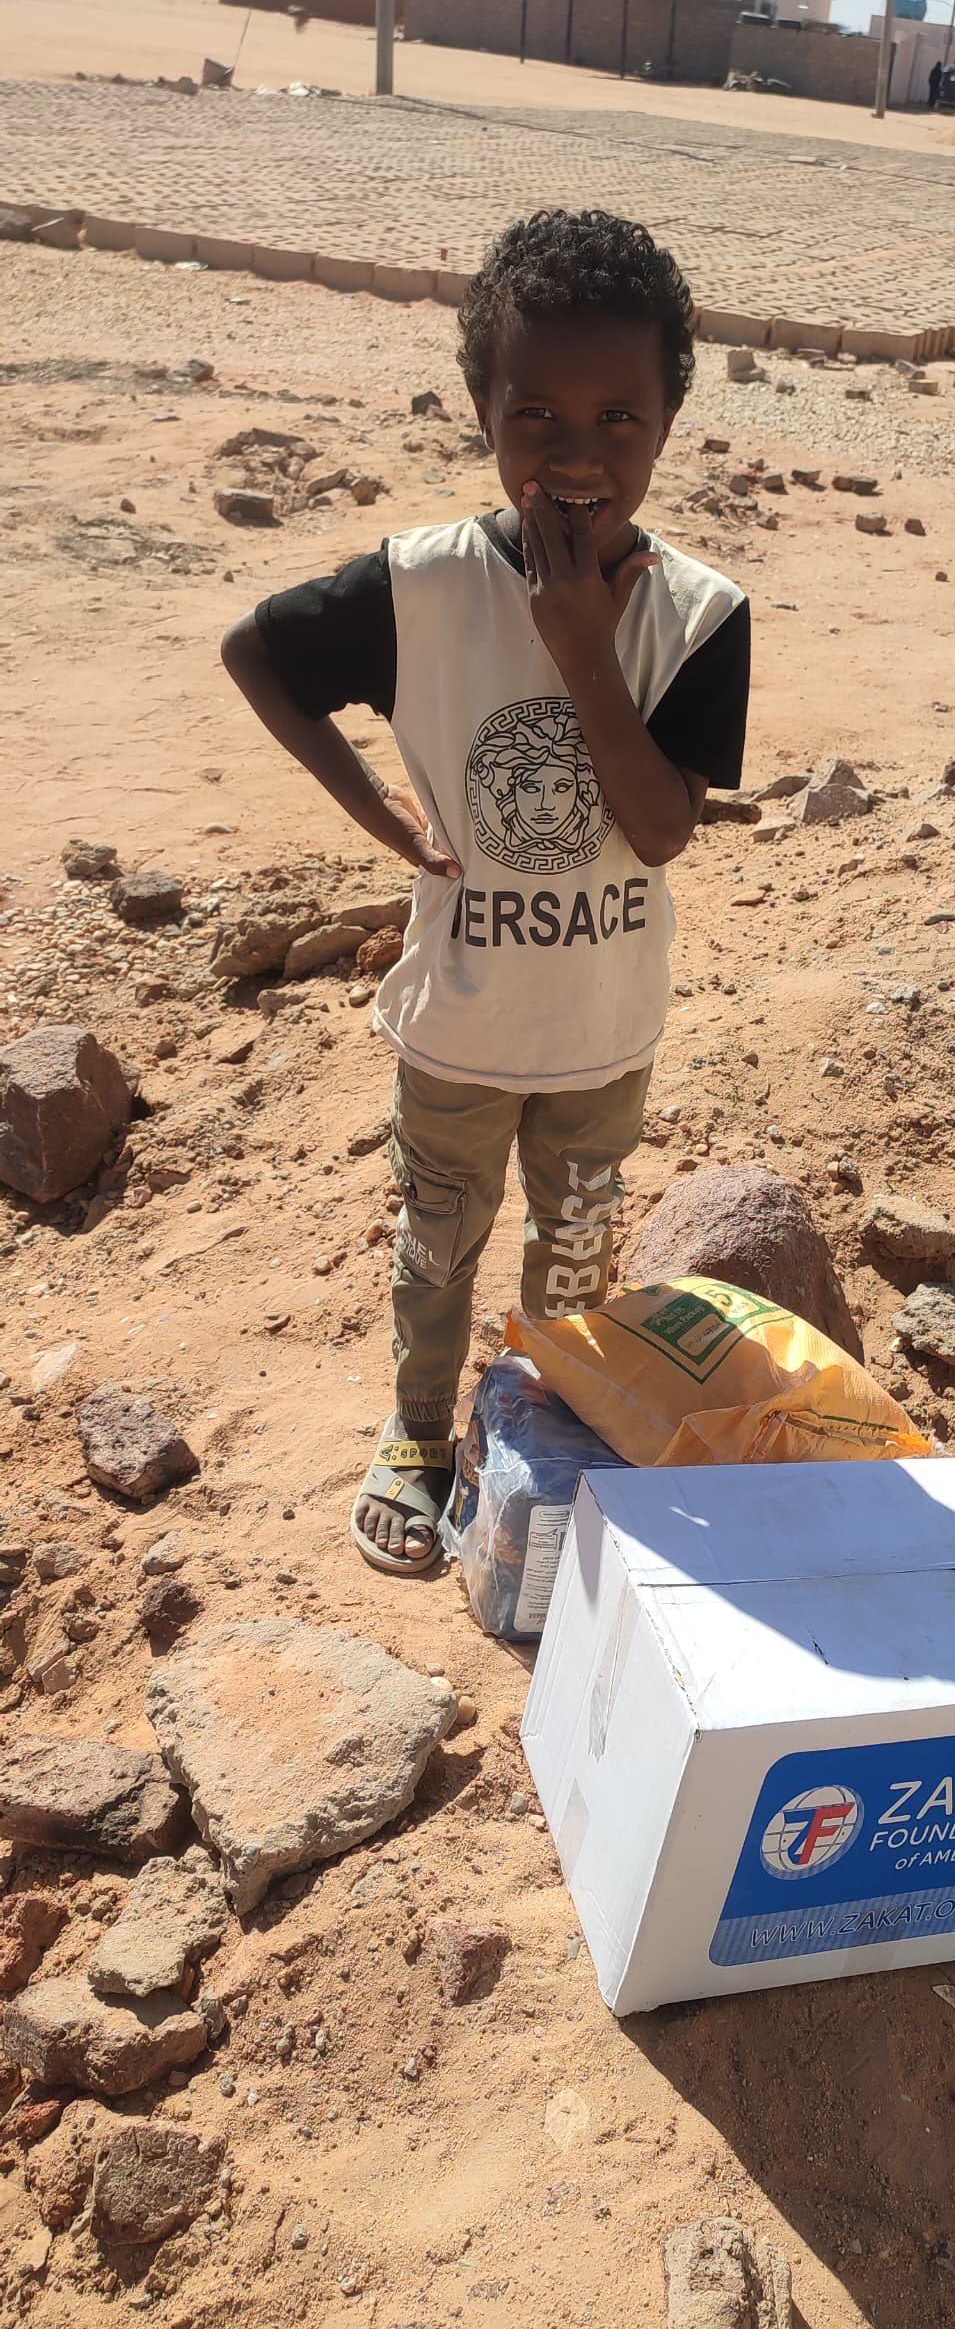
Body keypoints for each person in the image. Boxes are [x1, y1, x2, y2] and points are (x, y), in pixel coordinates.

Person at [220, 209, 750, 1574]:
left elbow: (658, 829)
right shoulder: (422, 586)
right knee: (437, 1245)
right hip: (457, 1028)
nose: (577, 456)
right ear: (481, 408)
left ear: (671, 414)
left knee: (570, 1255)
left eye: (619, 417)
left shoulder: (696, 614)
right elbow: (257, 653)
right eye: (536, 416)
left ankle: (532, 1426)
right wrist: (380, 814)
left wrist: (581, 649)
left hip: (600, 1031)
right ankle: (414, 1431)